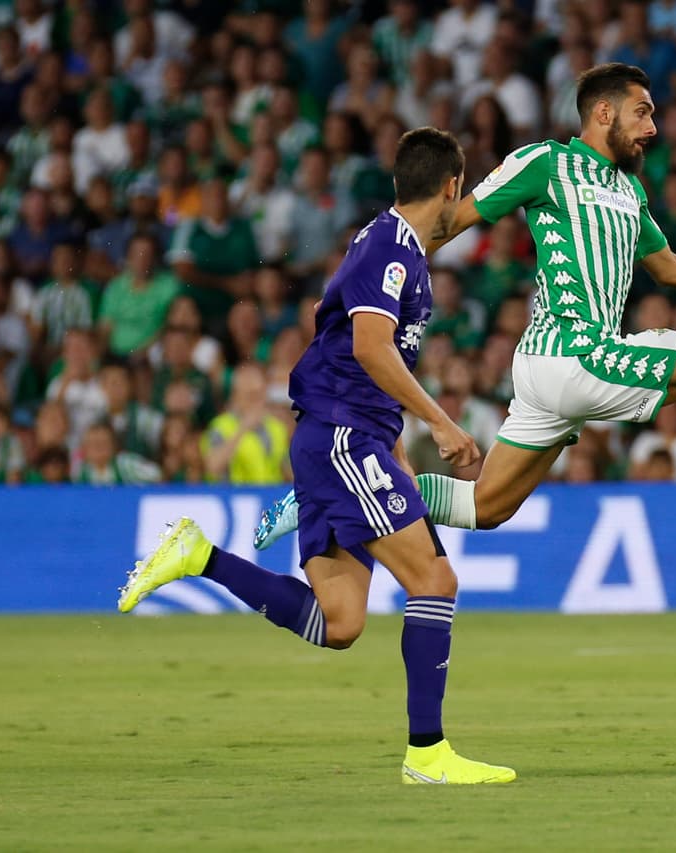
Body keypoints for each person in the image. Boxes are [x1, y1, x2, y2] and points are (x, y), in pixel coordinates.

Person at [255, 64, 676, 555]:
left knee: (484, 507)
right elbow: (443, 222)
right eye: (642, 112)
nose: (653, 127)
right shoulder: (544, 163)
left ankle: (321, 493)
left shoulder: (630, 190)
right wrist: (358, 288)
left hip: (556, 369)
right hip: (573, 350)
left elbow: (668, 266)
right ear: (603, 112)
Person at [116, 127, 515, 786]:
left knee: (341, 622)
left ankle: (198, 553)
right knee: (435, 582)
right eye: (461, 189)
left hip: (346, 437)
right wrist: (439, 423)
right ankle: (428, 754)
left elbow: (352, 343)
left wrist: (392, 444)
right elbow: (369, 347)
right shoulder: (391, 251)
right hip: (342, 438)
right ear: (450, 186)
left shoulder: (396, 246)